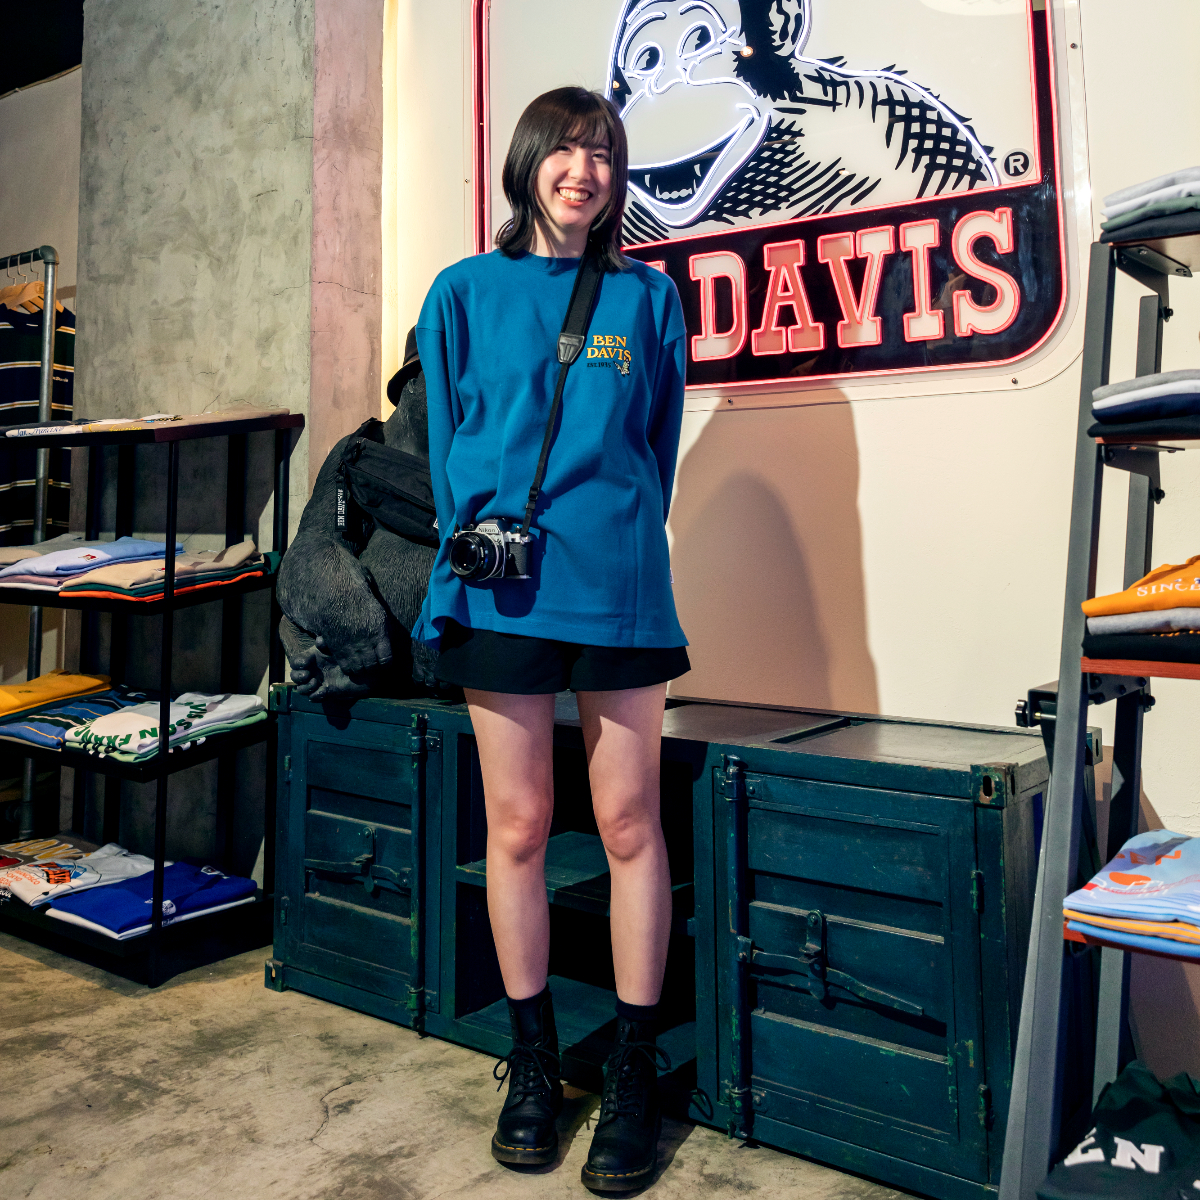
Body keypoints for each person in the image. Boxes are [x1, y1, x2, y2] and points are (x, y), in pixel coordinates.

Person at [413, 86, 689, 1191]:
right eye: (567, 149)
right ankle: (532, 1061)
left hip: (618, 587)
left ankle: (631, 1066)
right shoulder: (462, 292)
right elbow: (448, 449)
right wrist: (472, 553)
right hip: (502, 595)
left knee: (628, 824)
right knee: (519, 826)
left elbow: (657, 448)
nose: (585, 170)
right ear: (527, 160)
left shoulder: (648, 299)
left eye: (605, 154)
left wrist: (612, 533)